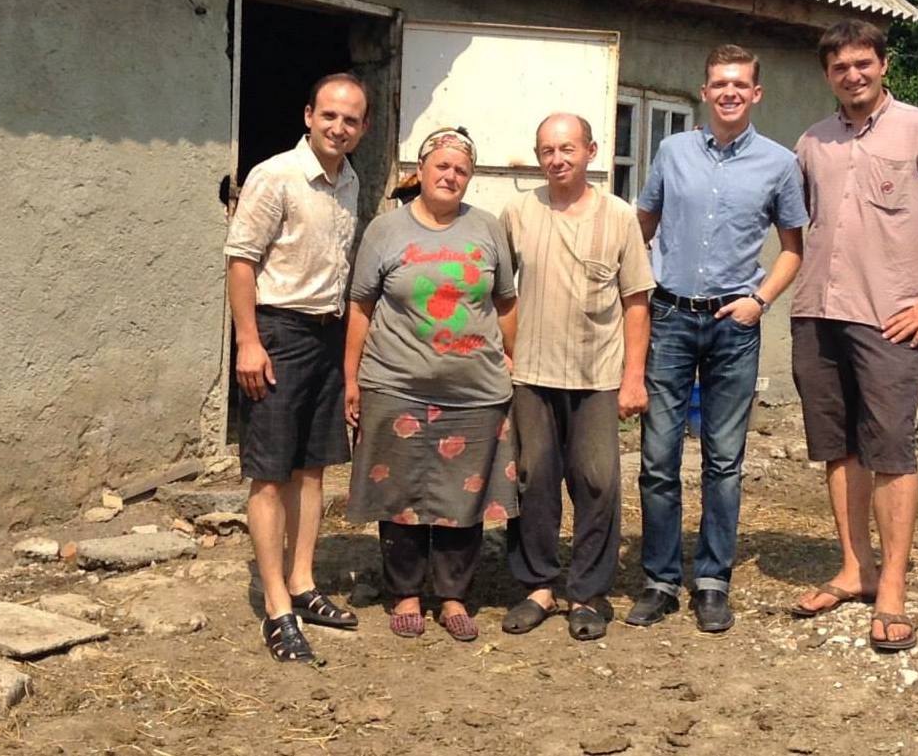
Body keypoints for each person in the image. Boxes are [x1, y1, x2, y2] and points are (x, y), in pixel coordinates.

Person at [789, 19, 918, 652]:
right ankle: (855, 568)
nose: (853, 74)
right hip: (818, 312)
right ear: (828, 74)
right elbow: (797, 228)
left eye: (863, 63)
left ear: (884, 65)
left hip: (889, 319)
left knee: (890, 451)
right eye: (840, 66)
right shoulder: (812, 143)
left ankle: (894, 587)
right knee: (837, 447)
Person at [628, 45, 807, 633]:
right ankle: (658, 579)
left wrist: (760, 302)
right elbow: (643, 227)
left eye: (740, 84)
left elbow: (792, 249)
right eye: (719, 83)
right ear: (705, 91)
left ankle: (711, 580)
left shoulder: (780, 164)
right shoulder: (672, 151)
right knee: (658, 458)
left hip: (735, 325)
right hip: (671, 319)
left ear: (756, 94)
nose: (729, 92)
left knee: (723, 461)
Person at [342, 128, 519, 643]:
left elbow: (505, 302)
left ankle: (454, 595)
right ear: (421, 170)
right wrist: (350, 377)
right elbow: (360, 306)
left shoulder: (486, 228)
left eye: (461, 170)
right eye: (441, 166)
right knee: (398, 491)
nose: (451, 176)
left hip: (475, 391)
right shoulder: (386, 230)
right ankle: (406, 592)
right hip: (395, 383)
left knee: (462, 497)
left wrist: (513, 356)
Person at [225, 73, 371, 664]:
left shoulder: (350, 181)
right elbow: (240, 262)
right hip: (278, 332)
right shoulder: (276, 175)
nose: (339, 127)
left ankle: (305, 583)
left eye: (351, 120)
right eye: (330, 115)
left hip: (326, 332)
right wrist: (248, 343)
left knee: (312, 467)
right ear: (309, 114)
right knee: (269, 471)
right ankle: (277, 607)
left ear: (361, 128)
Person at [499, 114, 654, 641]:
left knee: (597, 481)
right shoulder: (519, 212)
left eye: (567, 148)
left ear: (591, 151)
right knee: (532, 480)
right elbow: (499, 291)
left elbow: (637, 302)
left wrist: (634, 376)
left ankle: (588, 591)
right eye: (547, 150)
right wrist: (504, 353)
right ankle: (537, 585)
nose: (557, 159)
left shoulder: (618, 217)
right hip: (532, 373)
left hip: (597, 375)